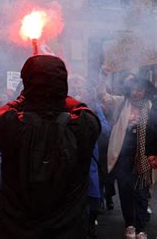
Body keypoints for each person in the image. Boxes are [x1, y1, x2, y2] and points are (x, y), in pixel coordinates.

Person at [0, 55, 100, 239]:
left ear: (27, 85)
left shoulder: (10, 126)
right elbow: (84, 110)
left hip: (16, 231)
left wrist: (22, 99)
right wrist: (57, 94)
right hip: (68, 231)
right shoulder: (83, 126)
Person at [98, 67, 155, 239]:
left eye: (140, 89)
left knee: (142, 192)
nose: (136, 93)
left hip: (145, 154)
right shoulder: (121, 102)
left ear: (145, 91)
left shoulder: (152, 105)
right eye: (133, 89)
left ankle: (142, 228)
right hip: (123, 153)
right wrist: (103, 75)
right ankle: (130, 224)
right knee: (125, 190)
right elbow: (102, 96)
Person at [68, 74, 111, 238]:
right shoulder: (63, 105)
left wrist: (90, 119)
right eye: (73, 85)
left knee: (91, 197)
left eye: (79, 85)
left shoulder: (93, 106)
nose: (77, 88)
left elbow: (105, 129)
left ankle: (89, 225)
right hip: (68, 159)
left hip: (89, 160)